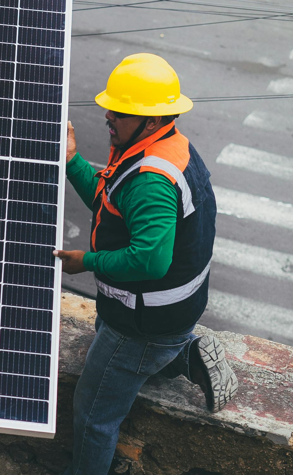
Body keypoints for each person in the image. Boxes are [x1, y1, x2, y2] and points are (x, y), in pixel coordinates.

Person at [53, 53, 238, 474]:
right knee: (104, 338)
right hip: (164, 313)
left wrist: (87, 261)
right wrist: (71, 160)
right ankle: (183, 354)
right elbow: (111, 202)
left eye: (121, 111)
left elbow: (150, 262)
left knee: (93, 413)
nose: (108, 115)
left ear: (151, 120)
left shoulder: (151, 179)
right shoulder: (167, 147)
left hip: (142, 323)